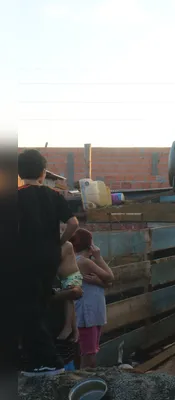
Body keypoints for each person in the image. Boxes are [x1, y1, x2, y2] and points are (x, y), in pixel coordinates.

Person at [14, 149, 79, 376]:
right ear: (43, 173)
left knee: (27, 308)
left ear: (19, 173)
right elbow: (73, 223)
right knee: (39, 304)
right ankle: (37, 360)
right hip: (50, 257)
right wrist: (58, 243)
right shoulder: (54, 196)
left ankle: (48, 362)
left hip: (24, 259)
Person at [70, 228, 114, 369]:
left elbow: (107, 282)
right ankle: (85, 384)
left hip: (88, 312)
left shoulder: (76, 260)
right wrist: (99, 257)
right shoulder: (84, 262)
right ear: (90, 246)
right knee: (89, 357)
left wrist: (99, 282)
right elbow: (110, 277)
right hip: (88, 314)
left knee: (87, 353)